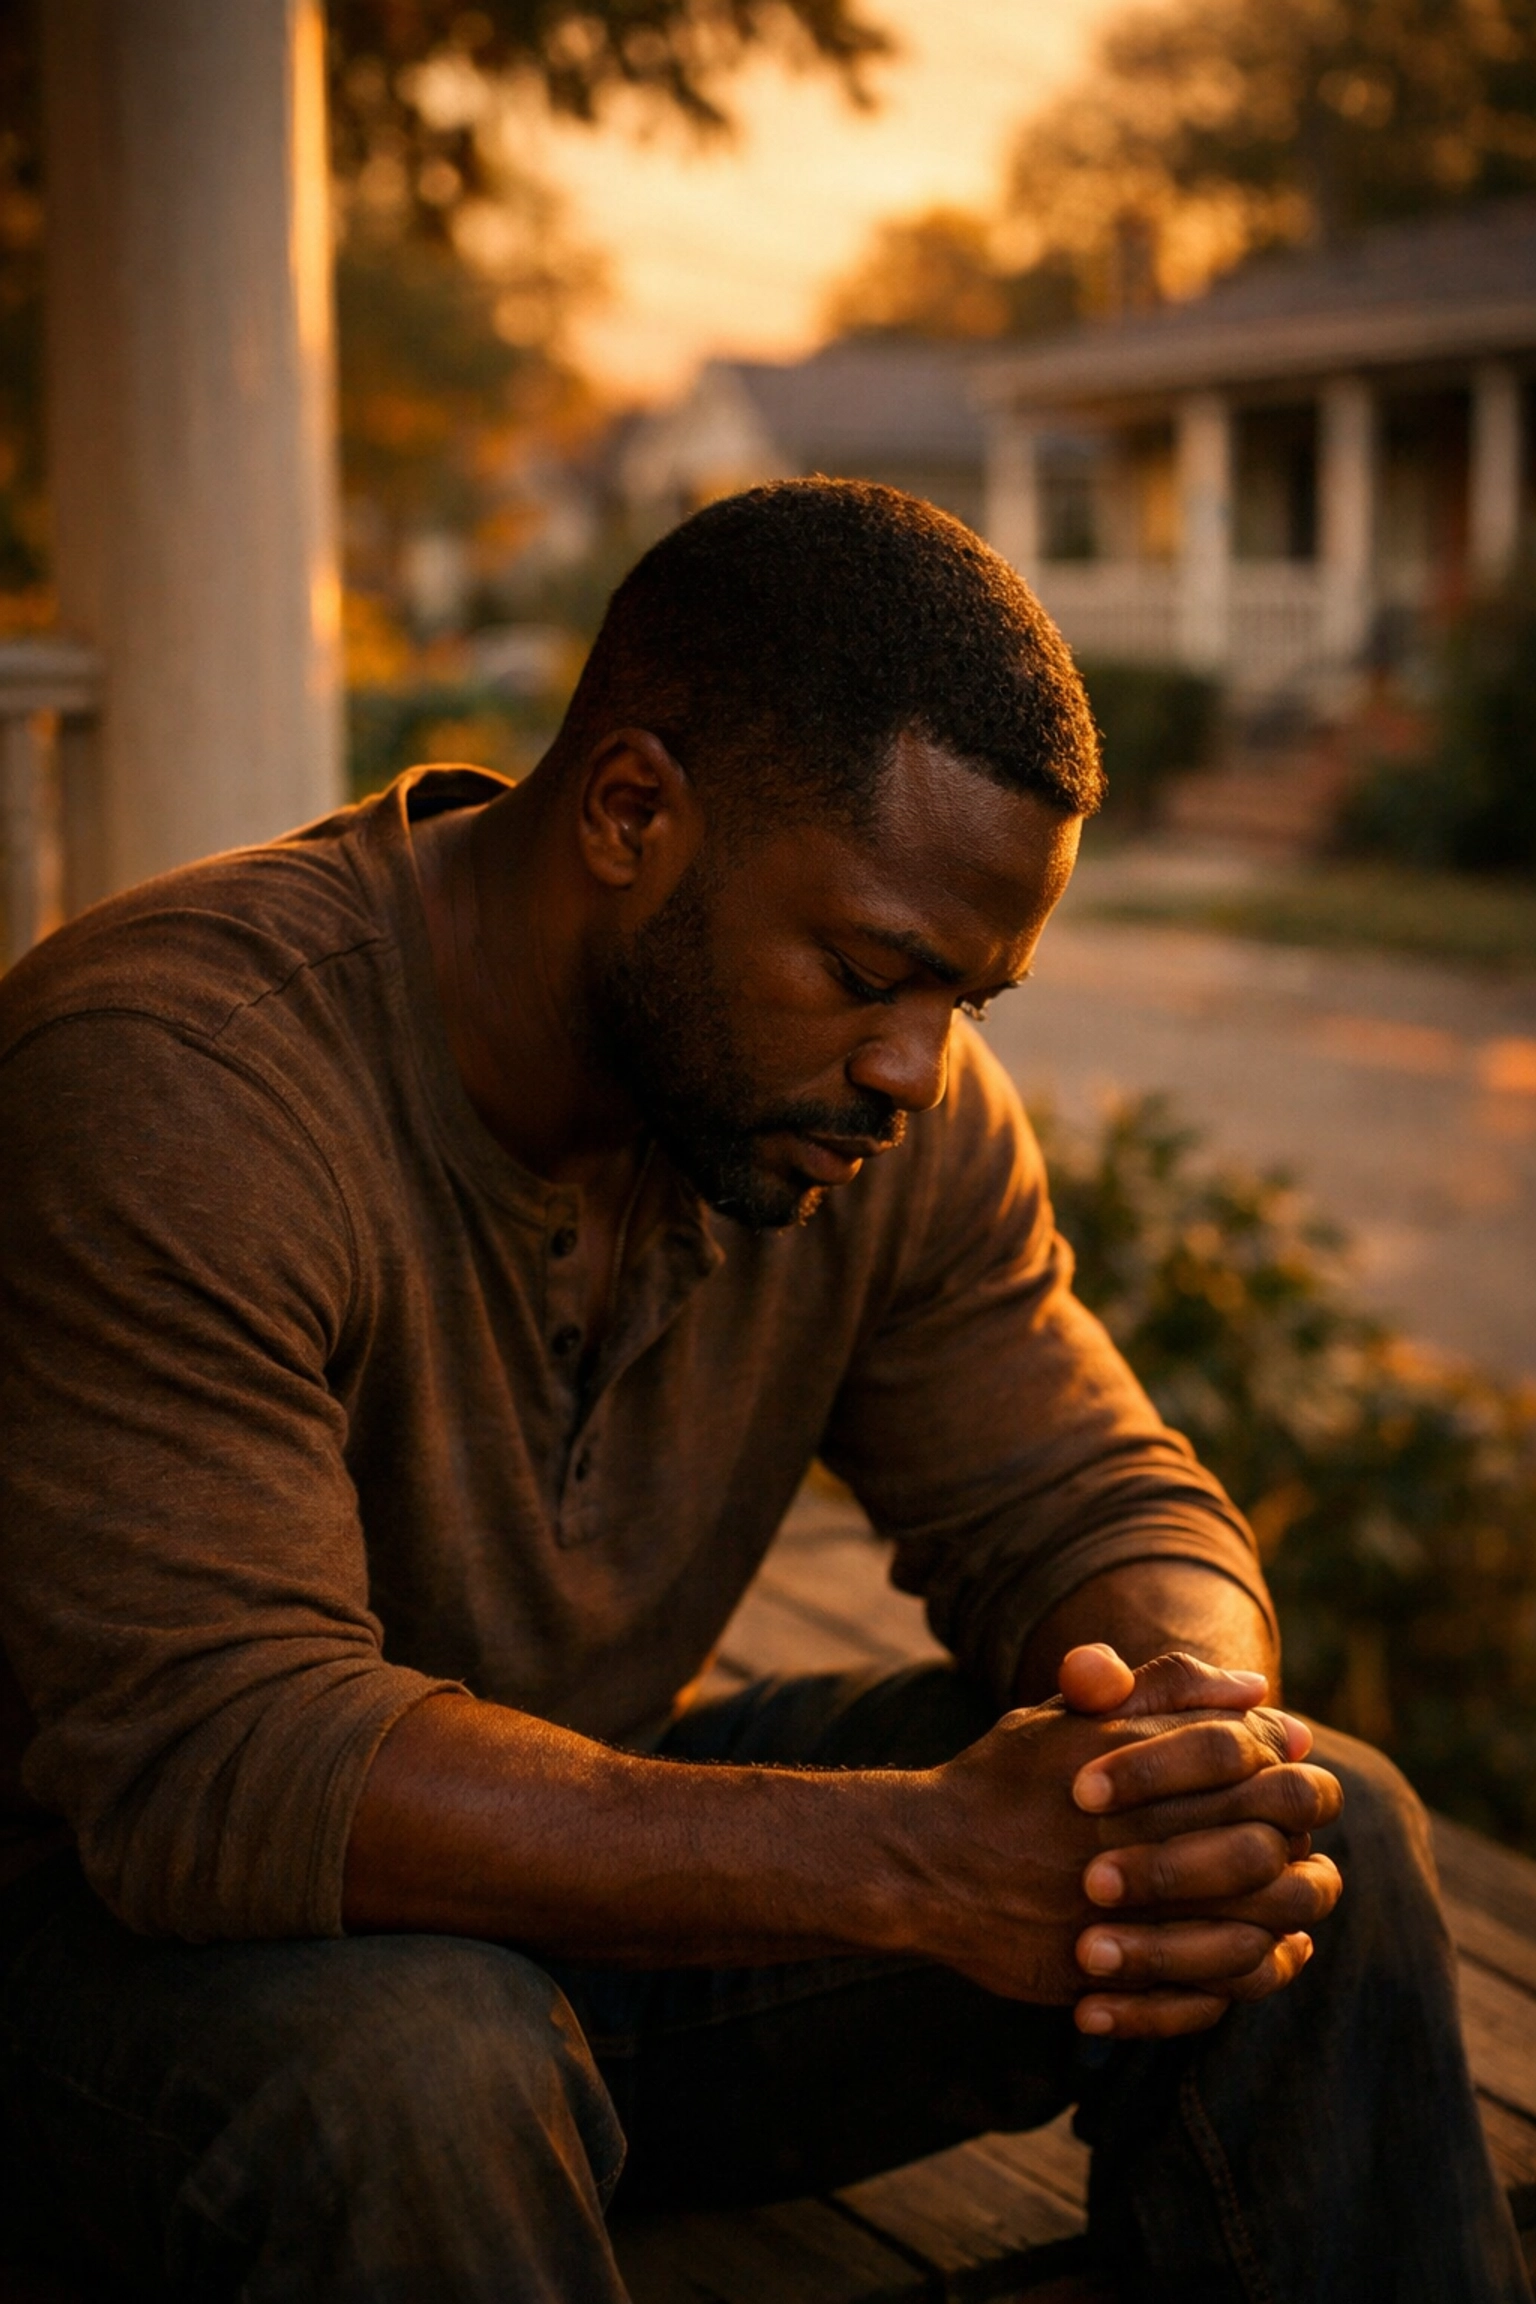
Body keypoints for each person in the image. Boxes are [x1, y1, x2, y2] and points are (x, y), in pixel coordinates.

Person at [0, 482, 1523, 2304]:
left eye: (972, 1001)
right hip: (95, 1964)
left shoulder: (867, 1114)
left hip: (557, 1922)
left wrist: (1177, 1752)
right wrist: (914, 1860)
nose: (915, 1066)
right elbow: (231, 1763)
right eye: (872, 973)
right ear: (633, 812)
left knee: (1310, 1841)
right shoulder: (179, 1083)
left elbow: (1092, 1498)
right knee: (422, 2065)